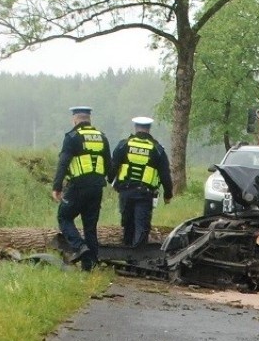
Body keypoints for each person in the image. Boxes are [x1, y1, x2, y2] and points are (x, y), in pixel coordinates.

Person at [52, 106, 112, 271]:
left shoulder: (72, 137)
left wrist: (57, 186)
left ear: (75, 119)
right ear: (89, 119)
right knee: (90, 227)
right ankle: (90, 266)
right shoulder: (102, 138)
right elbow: (109, 164)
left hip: (78, 186)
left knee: (64, 216)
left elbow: (63, 162)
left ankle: (79, 247)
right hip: (97, 187)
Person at [109, 116, 173, 248]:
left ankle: (127, 252)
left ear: (136, 128)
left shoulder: (124, 145)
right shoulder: (157, 149)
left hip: (125, 191)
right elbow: (165, 174)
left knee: (127, 224)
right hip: (145, 193)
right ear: (149, 129)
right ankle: (138, 257)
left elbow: (113, 167)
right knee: (142, 226)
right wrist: (168, 194)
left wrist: (113, 183)